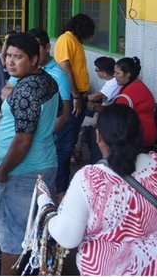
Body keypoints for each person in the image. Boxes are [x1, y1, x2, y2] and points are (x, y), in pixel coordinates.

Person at [35, 104, 157, 276]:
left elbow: (68, 237)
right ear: (139, 134)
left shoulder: (88, 179)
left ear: (98, 137)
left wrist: (44, 202)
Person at [0, 32, 60, 275]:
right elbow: (60, 110)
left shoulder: (24, 92)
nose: (10, 61)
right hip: (45, 166)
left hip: (21, 174)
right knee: (36, 235)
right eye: (8, 55)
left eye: (18, 57)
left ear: (33, 59)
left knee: (12, 239)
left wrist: (1, 172)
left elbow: (22, 140)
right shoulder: (48, 80)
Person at [53, 13, 95, 195]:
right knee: (66, 142)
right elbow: (65, 67)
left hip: (80, 97)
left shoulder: (73, 41)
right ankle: (60, 186)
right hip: (72, 99)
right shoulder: (66, 39)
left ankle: (61, 183)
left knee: (69, 141)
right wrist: (76, 96)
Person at [112, 57, 157, 148]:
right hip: (146, 134)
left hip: (140, 137)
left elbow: (114, 115)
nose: (114, 75)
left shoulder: (131, 91)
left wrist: (94, 108)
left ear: (128, 74)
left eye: (117, 73)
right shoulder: (137, 84)